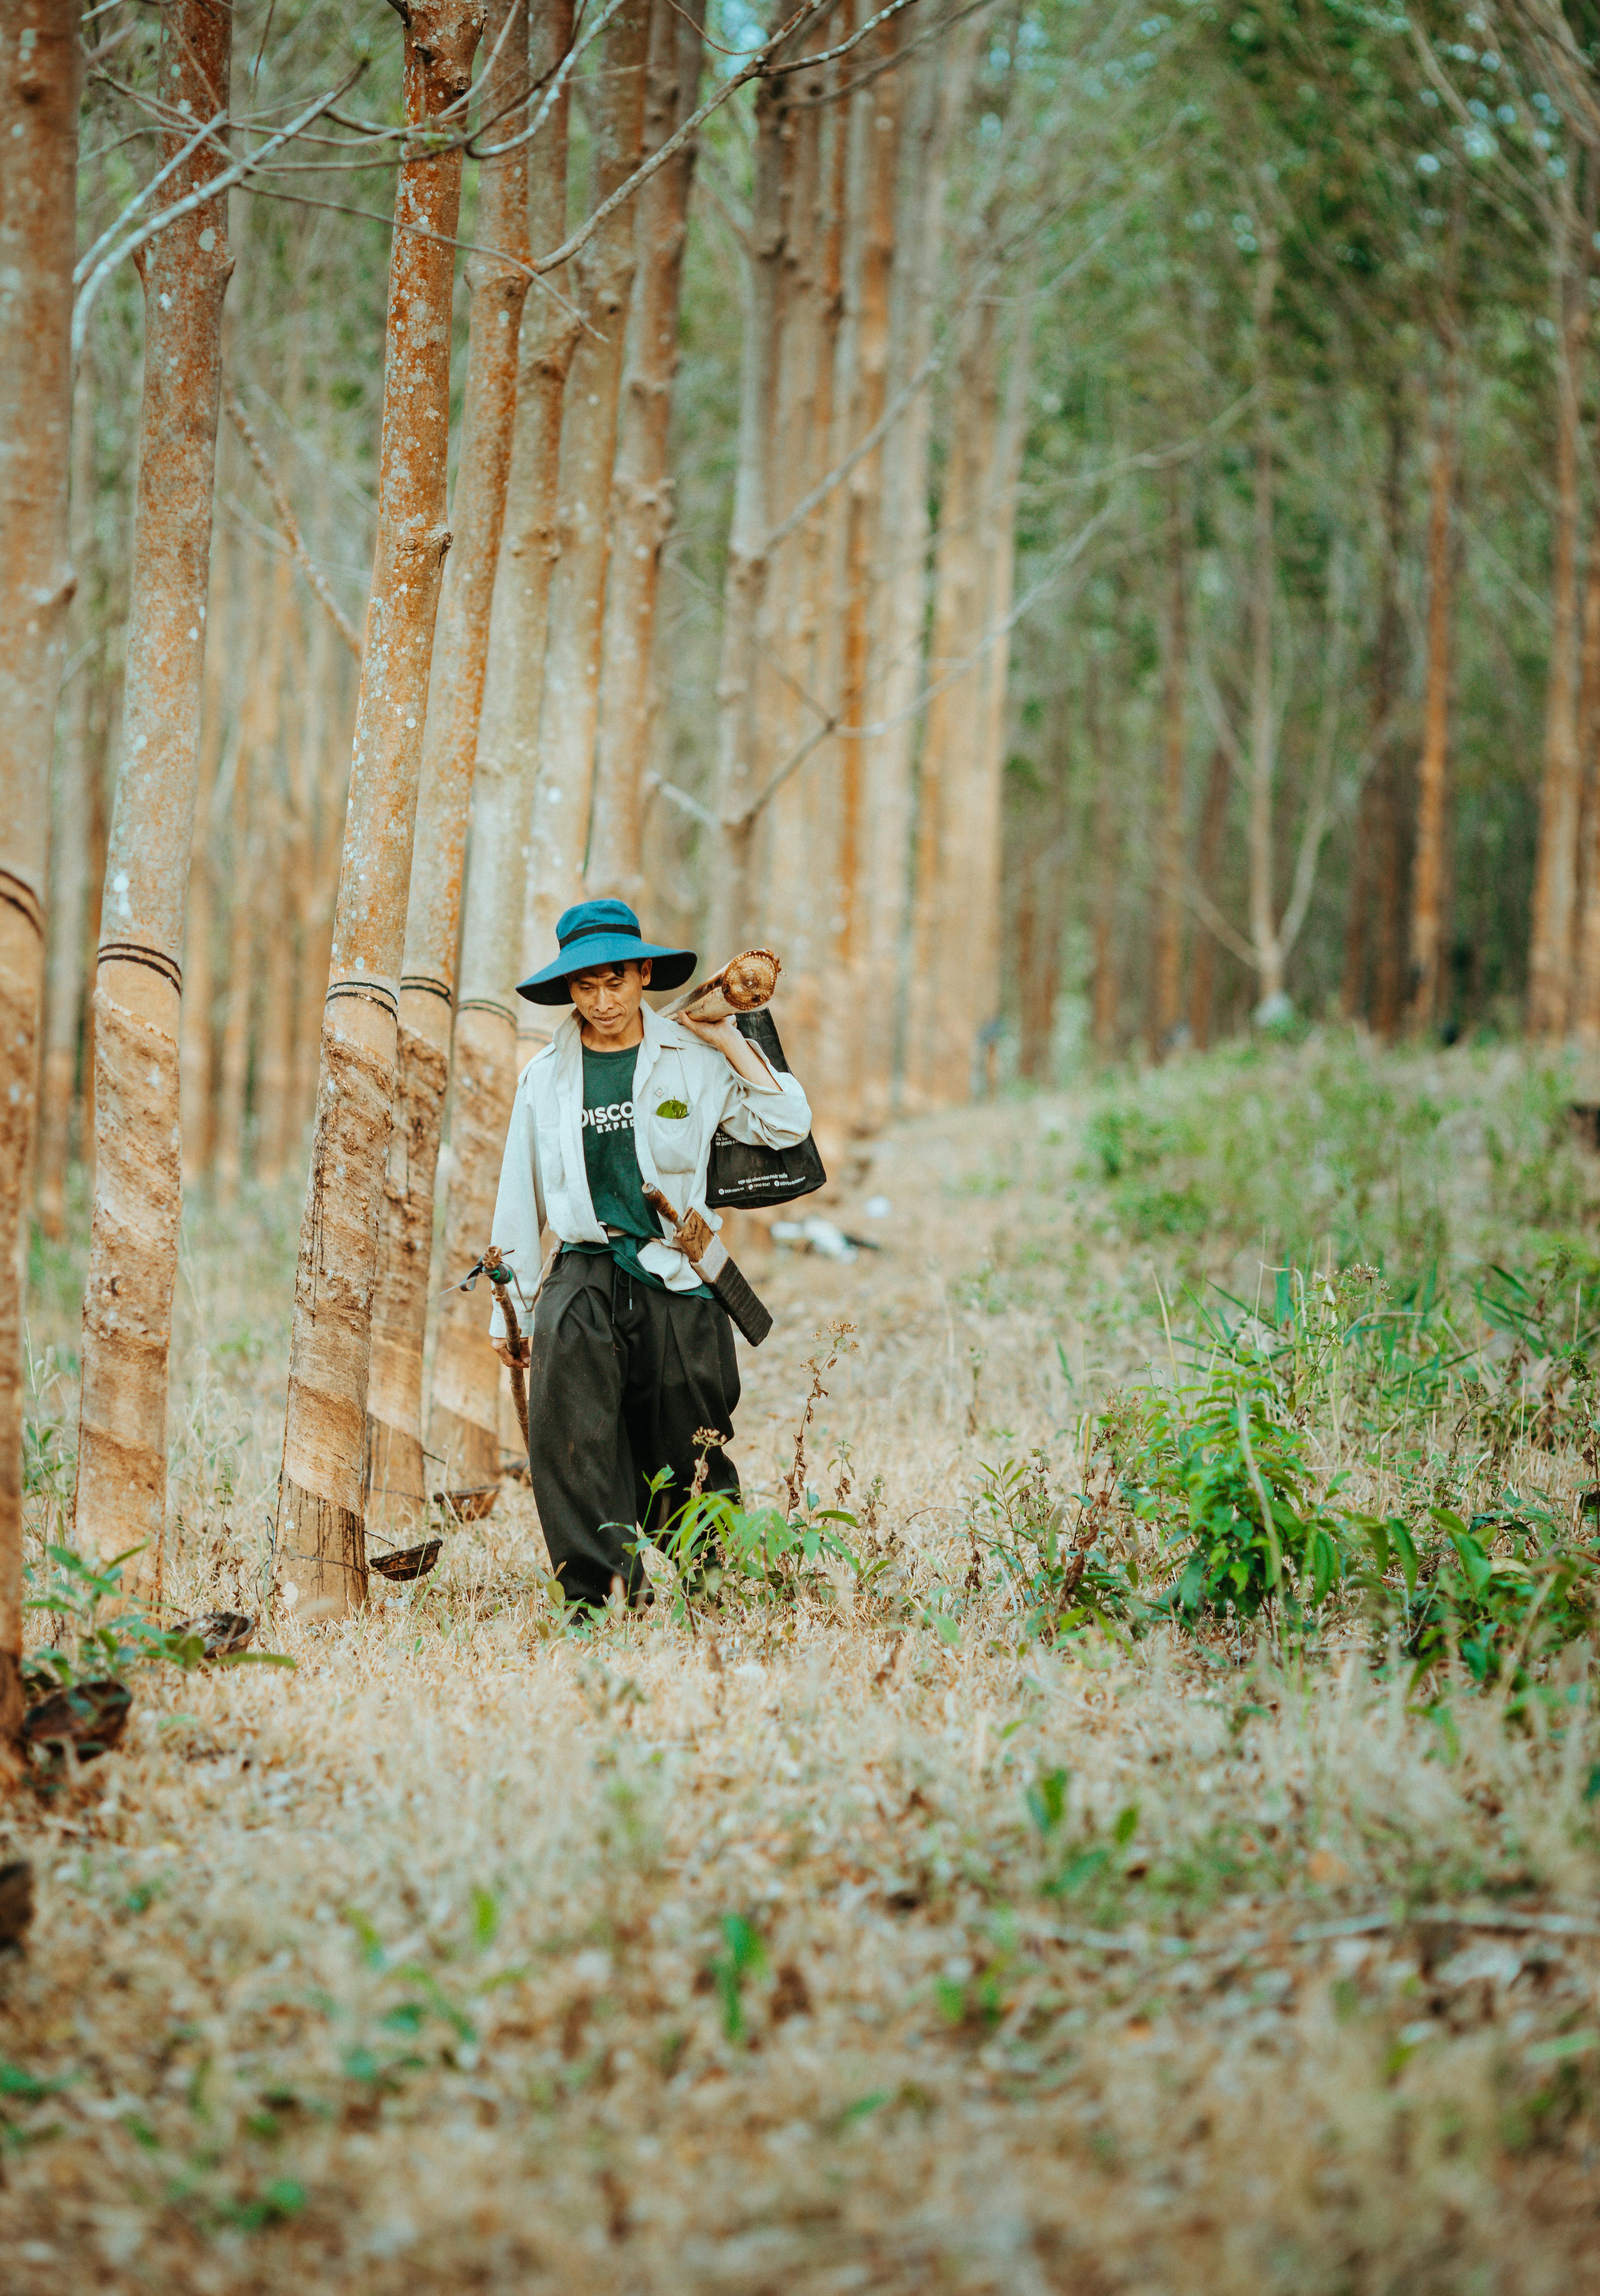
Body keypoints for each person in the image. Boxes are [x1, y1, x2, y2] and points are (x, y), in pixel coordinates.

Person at [487, 897, 813, 1613]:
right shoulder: (544, 1076)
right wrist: (507, 1316)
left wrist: (725, 1035)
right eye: (585, 986)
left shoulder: (690, 1058)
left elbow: (788, 1125)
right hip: (581, 1272)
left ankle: (712, 1583)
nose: (603, 1002)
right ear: (569, 990)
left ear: (642, 975)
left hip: (677, 1271)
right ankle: (598, 1597)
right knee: (571, 1442)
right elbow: (520, 1196)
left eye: (616, 982)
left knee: (688, 1441)